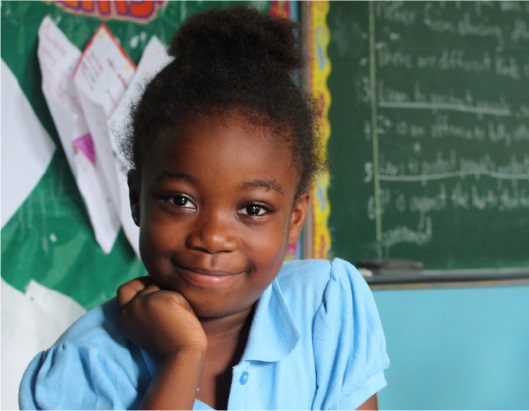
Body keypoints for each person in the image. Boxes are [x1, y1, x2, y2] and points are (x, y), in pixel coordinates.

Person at [19, 6, 389, 410]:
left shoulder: (325, 308)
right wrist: (181, 356)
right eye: (181, 200)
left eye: (253, 209)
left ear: (295, 218)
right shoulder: (84, 366)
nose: (212, 237)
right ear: (137, 198)